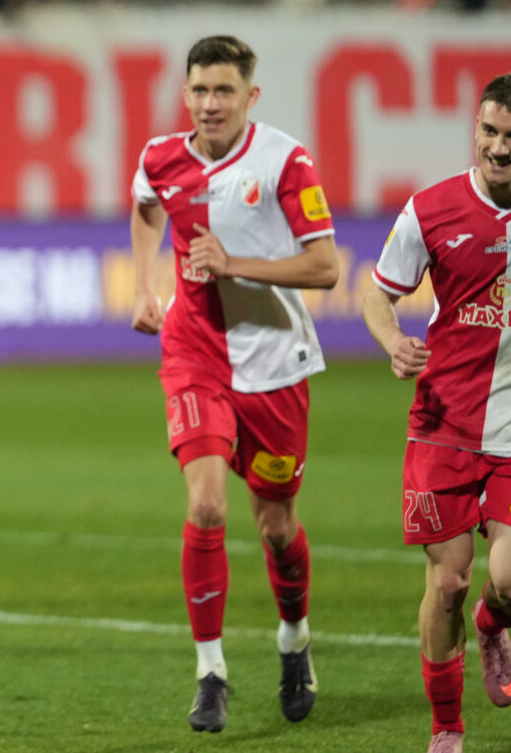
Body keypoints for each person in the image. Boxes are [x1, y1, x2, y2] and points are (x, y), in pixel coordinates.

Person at [362, 74, 511, 753]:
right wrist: (392, 342)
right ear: (477, 127)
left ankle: (495, 625)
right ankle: (447, 731)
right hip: (443, 428)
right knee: (447, 582)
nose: (498, 148)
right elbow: (379, 294)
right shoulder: (431, 209)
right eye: (490, 132)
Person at [130, 36, 339, 733]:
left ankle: (294, 639)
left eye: (223, 91)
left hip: (275, 361)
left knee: (277, 527)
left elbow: (326, 267)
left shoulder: (285, 159)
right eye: (199, 91)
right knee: (209, 505)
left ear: (250, 97)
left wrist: (235, 263)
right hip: (195, 351)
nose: (209, 104)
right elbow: (146, 205)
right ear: (185, 94)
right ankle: (211, 670)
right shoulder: (161, 156)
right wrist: (143, 286)